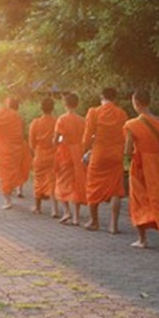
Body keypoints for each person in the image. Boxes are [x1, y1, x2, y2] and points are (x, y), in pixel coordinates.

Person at [123, 90, 159, 252]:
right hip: (155, 163)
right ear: (149, 102)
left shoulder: (132, 124)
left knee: (139, 199)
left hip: (139, 165)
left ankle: (142, 239)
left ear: (136, 103)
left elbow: (128, 151)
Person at [82, 87, 129, 233]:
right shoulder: (121, 114)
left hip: (99, 154)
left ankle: (94, 222)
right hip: (116, 154)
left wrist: (85, 149)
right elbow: (125, 135)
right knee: (116, 189)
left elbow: (87, 136)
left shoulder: (94, 112)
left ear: (101, 97)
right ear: (115, 99)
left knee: (93, 186)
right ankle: (113, 225)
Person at [0, 96, 30, 210]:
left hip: (0, 148)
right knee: (17, 168)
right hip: (16, 148)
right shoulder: (18, 117)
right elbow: (22, 133)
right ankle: (19, 189)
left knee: (3, 174)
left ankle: (8, 200)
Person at [54, 93, 88, 226]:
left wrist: (57, 142)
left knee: (62, 182)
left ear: (65, 104)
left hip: (65, 153)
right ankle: (76, 217)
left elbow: (56, 140)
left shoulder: (62, 120)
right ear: (77, 104)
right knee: (77, 183)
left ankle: (67, 211)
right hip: (78, 152)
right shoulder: (83, 120)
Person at [28, 97, 60, 217]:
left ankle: (38, 207)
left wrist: (35, 152)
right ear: (52, 108)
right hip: (53, 155)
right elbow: (60, 139)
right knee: (52, 181)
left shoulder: (35, 123)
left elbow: (31, 143)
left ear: (41, 109)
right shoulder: (56, 122)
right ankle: (54, 209)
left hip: (40, 155)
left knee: (38, 180)